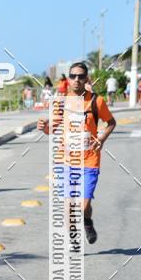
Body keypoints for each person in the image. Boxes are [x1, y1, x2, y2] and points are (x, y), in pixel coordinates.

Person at [37, 61, 116, 244]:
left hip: (90, 161)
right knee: (69, 204)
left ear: (86, 78)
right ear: (69, 79)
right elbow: (52, 129)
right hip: (67, 162)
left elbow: (111, 122)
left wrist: (101, 139)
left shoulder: (97, 101)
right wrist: (44, 128)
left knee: (84, 205)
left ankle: (87, 220)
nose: (77, 79)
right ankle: (73, 240)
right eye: (73, 76)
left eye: (81, 76)